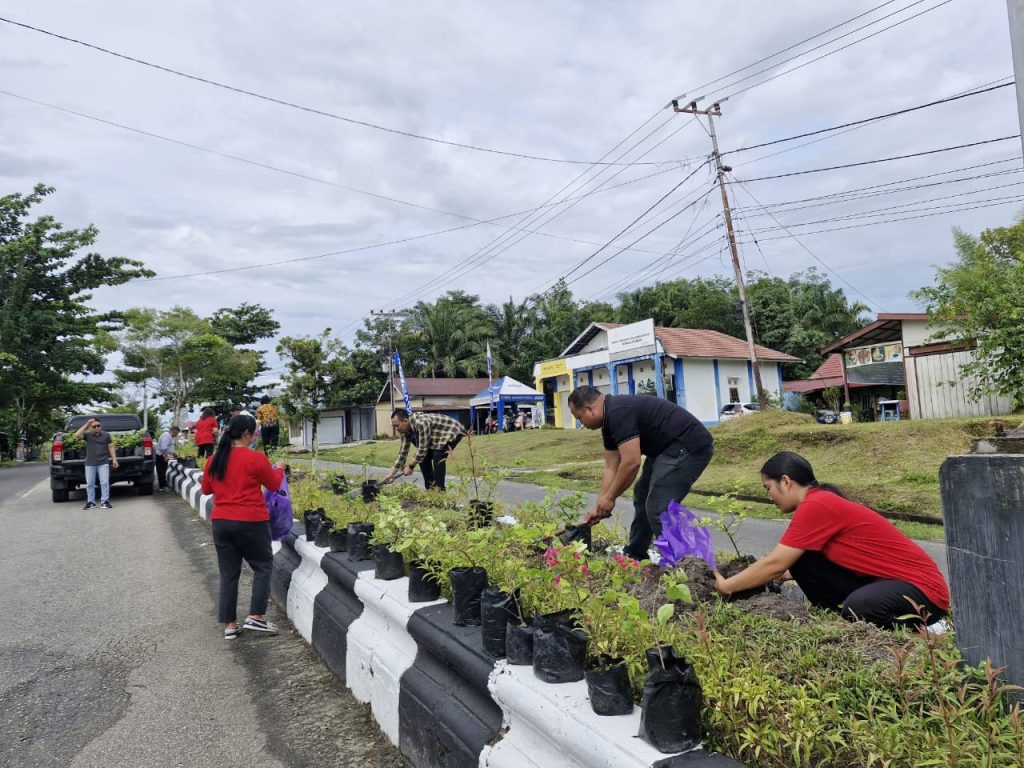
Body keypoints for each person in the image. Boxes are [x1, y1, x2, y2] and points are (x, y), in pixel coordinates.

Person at [714, 451, 950, 630]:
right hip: (888, 584)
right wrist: (789, 573)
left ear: (786, 482)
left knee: (859, 607)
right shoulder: (820, 500)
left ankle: (925, 634)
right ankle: (844, 616)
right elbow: (793, 562)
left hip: (925, 592)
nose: (769, 496)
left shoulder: (817, 505)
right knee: (801, 559)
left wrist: (727, 586)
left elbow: (775, 563)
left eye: (768, 488)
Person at [568, 385, 714, 561]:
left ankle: (683, 562)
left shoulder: (618, 412)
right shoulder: (609, 420)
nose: (581, 424)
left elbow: (631, 463)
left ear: (589, 409)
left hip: (688, 446)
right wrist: (600, 504)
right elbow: (611, 467)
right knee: (642, 494)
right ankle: (635, 554)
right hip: (664, 450)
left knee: (658, 507)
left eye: (579, 418)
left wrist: (610, 498)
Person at [201, 414, 287, 640]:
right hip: (251, 521)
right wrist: (280, 468)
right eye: (254, 433)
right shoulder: (255, 458)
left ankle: (230, 625)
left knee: (229, 573)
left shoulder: (214, 459)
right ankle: (256, 616)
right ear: (247, 434)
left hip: (221, 522)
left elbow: (206, 490)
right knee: (262, 566)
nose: (254, 437)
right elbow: (273, 484)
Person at [381, 408, 465, 491]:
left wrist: (411, 466)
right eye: (394, 426)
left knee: (438, 456)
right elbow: (403, 453)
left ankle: (440, 491)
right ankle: (431, 490)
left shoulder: (421, 423)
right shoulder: (405, 431)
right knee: (423, 458)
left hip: (453, 430)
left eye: (397, 425)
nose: (396, 429)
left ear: (405, 421)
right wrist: (391, 474)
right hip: (436, 438)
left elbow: (422, 449)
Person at [74, 417, 119, 509]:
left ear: (101, 426)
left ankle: (105, 502)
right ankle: (91, 502)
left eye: (98, 426)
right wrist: (87, 424)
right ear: (91, 428)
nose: (96, 428)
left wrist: (114, 459)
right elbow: (77, 435)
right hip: (90, 463)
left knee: (104, 482)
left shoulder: (106, 435)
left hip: (103, 462)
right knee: (90, 484)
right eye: (94, 426)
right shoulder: (88, 435)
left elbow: (111, 447)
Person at [155, 425, 180, 492]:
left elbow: (169, 448)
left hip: (162, 456)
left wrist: (173, 454)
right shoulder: (167, 436)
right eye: (176, 433)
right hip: (161, 456)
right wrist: (166, 456)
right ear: (173, 431)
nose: (176, 435)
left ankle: (163, 486)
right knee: (161, 472)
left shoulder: (168, 436)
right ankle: (162, 487)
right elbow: (164, 447)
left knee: (163, 471)